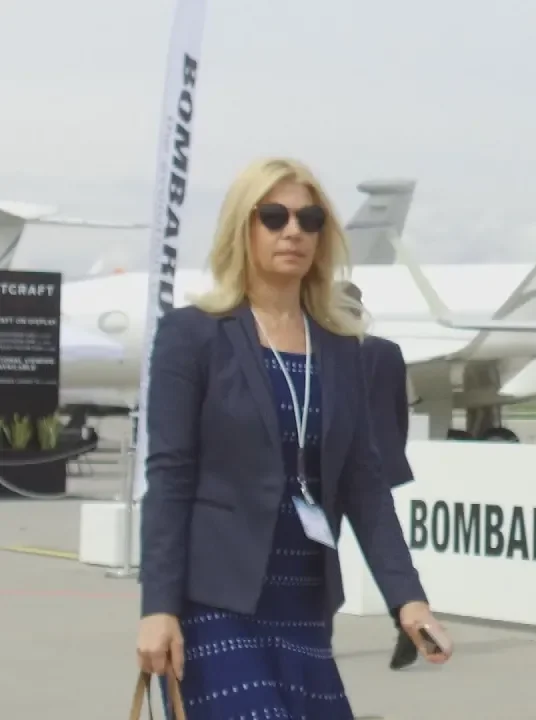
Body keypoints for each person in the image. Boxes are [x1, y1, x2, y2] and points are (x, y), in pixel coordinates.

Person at [134, 156, 453, 719]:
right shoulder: (193, 336)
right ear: (243, 227)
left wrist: (409, 599)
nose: (293, 231)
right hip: (213, 604)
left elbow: (364, 485)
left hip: (304, 603)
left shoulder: (342, 347)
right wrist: (158, 607)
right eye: (274, 216)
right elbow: (169, 479)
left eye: (309, 220)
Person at [334, 280, 422, 670]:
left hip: (333, 464)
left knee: (319, 554)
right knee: (387, 550)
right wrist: (391, 455)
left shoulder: (326, 349)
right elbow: (400, 411)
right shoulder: (387, 351)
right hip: (376, 464)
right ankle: (410, 617)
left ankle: (317, 635)